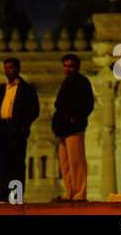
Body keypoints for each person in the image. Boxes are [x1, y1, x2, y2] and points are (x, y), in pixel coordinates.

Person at [0, 58, 39, 203]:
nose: (7, 70)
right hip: (2, 131)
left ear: (17, 69)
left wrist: (21, 127)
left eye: (10, 68)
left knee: (17, 164)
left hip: (17, 131)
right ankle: (4, 194)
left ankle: (16, 196)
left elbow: (33, 110)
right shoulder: (0, 90)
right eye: (6, 68)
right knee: (3, 163)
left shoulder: (26, 89)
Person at [52, 54, 94, 202]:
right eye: (65, 66)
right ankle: (70, 193)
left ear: (77, 67)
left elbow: (88, 104)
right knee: (65, 163)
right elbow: (58, 104)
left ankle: (79, 194)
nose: (67, 69)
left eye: (70, 66)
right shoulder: (66, 83)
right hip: (62, 129)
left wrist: (74, 118)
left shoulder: (82, 82)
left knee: (77, 162)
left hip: (74, 127)